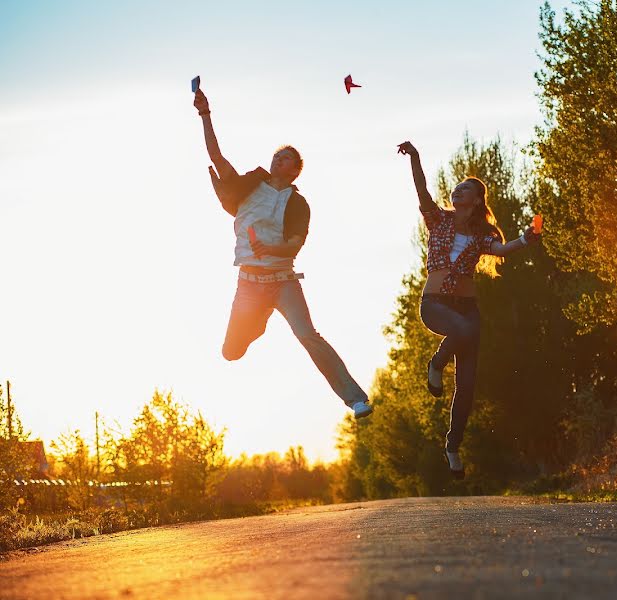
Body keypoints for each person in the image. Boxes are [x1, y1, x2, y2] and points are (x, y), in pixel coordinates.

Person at [193, 88, 372, 419]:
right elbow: (217, 157)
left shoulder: (298, 203)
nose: (279, 159)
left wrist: (270, 248)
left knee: (308, 335)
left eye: (287, 157)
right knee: (231, 352)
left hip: (283, 281)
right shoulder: (249, 185)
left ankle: (355, 398)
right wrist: (205, 114)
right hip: (249, 283)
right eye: (277, 155)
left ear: (296, 170)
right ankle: (258, 322)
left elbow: (293, 246)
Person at [397, 141, 541, 478]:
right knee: (464, 330)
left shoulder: (480, 234)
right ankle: (436, 362)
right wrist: (416, 157)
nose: (457, 191)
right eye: (456, 188)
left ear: (476, 200)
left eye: (464, 189)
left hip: (466, 306)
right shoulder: (437, 220)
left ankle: (452, 447)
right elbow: (421, 189)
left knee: (468, 384)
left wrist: (525, 239)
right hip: (434, 305)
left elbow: (502, 249)